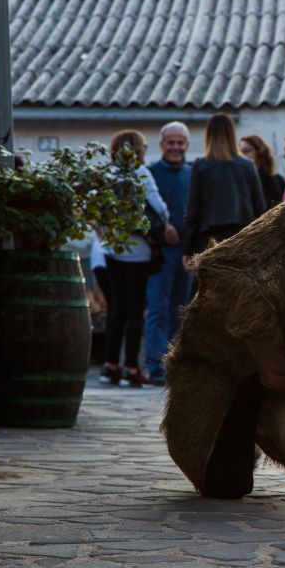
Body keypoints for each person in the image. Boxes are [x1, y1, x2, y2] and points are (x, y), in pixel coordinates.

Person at [102, 130, 170, 387]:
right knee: (135, 310)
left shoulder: (109, 175)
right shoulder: (141, 174)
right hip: (138, 252)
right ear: (138, 150)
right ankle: (132, 367)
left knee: (117, 308)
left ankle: (110, 365)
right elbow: (159, 208)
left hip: (112, 249)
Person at [181, 114, 266, 292]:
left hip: (208, 242)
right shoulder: (247, 165)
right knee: (240, 296)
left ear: (209, 135)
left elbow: (192, 211)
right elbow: (261, 210)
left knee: (205, 298)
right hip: (242, 241)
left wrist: (187, 249)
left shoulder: (201, 166)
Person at [144, 122, 193, 385]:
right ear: (162, 145)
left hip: (186, 254)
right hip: (159, 254)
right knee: (157, 310)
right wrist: (161, 228)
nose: (176, 147)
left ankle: (174, 365)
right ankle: (154, 367)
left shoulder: (193, 174)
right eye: (171, 142)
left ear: (186, 145)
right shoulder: (150, 174)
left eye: (180, 142)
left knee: (180, 310)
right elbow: (144, 210)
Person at [240, 134, 285, 211]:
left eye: (247, 151)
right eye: (239, 152)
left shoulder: (275, 180)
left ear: (260, 153)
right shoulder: (238, 182)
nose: (242, 155)